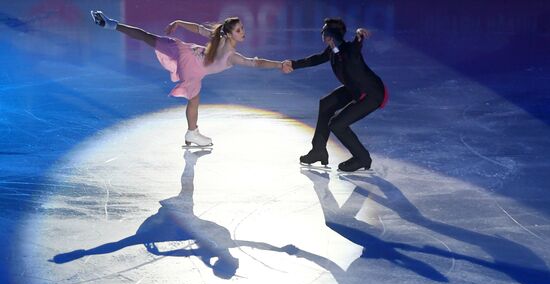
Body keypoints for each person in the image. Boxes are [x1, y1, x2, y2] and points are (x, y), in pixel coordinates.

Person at [91, 11, 286, 146]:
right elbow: (256, 63)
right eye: (239, 30)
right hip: (192, 67)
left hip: (184, 51)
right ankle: (192, 132)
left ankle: (109, 23)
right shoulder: (232, 56)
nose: (243, 32)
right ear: (229, 33)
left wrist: (179, 22)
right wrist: (279, 65)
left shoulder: (219, 36)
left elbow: (199, 29)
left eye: (242, 28)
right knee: (194, 99)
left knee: (147, 37)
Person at [283, 18, 388, 172]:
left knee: (337, 124)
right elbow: (316, 59)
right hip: (355, 88)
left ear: (330, 35)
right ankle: (318, 150)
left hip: (371, 93)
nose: (322, 34)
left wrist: (359, 35)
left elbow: (356, 45)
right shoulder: (332, 50)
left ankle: (362, 157)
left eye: (324, 31)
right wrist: (294, 64)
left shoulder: (350, 50)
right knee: (326, 103)